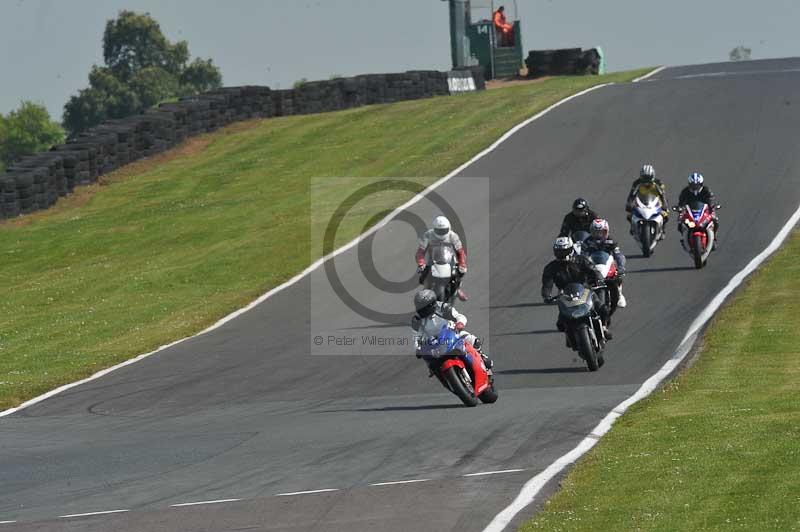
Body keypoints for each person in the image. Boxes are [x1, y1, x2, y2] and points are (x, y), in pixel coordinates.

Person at [541, 236, 612, 338]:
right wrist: (546, 296)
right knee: (560, 324)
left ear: (570, 249)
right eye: (558, 251)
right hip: (565, 295)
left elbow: (593, 270)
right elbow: (547, 284)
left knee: (602, 309)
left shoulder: (580, 260)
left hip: (585, 290)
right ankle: (571, 336)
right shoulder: (551, 267)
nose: (561, 254)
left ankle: (604, 328)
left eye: (564, 251)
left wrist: (599, 280)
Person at [411, 289, 493, 369]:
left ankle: (480, 355)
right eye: (419, 306)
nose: (421, 309)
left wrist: (460, 323)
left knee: (471, 339)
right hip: (433, 344)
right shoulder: (417, 319)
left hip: (451, 334)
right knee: (430, 363)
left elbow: (459, 316)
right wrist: (417, 349)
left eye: (424, 307)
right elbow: (415, 336)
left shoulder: (443, 307)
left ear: (432, 304)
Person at [416, 215, 468, 301]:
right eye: (439, 230)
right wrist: (421, 263)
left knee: (458, 273)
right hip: (432, 260)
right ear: (434, 229)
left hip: (449, 259)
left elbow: (460, 251)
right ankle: (424, 297)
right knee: (426, 278)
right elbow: (420, 252)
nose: (441, 233)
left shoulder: (453, 236)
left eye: (443, 230)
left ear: (448, 228)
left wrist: (462, 264)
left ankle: (458, 289)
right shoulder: (428, 235)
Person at [582, 218, 627, 309]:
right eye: (595, 232)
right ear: (591, 232)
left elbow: (618, 255)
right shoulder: (587, 241)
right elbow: (582, 255)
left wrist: (621, 266)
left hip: (608, 264)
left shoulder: (611, 241)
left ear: (606, 231)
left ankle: (620, 293)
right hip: (593, 265)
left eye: (601, 232)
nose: (598, 235)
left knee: (618, 275)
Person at [626, 164, 669, 238]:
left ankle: (663, 230)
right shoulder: (636, 183)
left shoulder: (658, 183)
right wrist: (629, 203)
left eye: (648, 178)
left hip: (656, 203)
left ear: (652, 175)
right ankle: (633, 228)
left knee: (665, 215)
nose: (646, 181)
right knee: (630, 215)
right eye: (644, 178)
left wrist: (665, 204)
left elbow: (663, 194)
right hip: (641, 202)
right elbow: (631, 195)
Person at [677, 171, 720, 246]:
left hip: (704, 211)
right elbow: (681, 202)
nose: (695, 188)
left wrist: (712, 207)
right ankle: (684, 238)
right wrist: (679, 208)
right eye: (693, 185)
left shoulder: (706, 190)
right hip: (689, 211)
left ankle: (714, 238)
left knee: (715, 220)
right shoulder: (685, 191)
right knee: (680, 222)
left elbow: (710, 200)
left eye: (697, 185)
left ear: (701, 184)